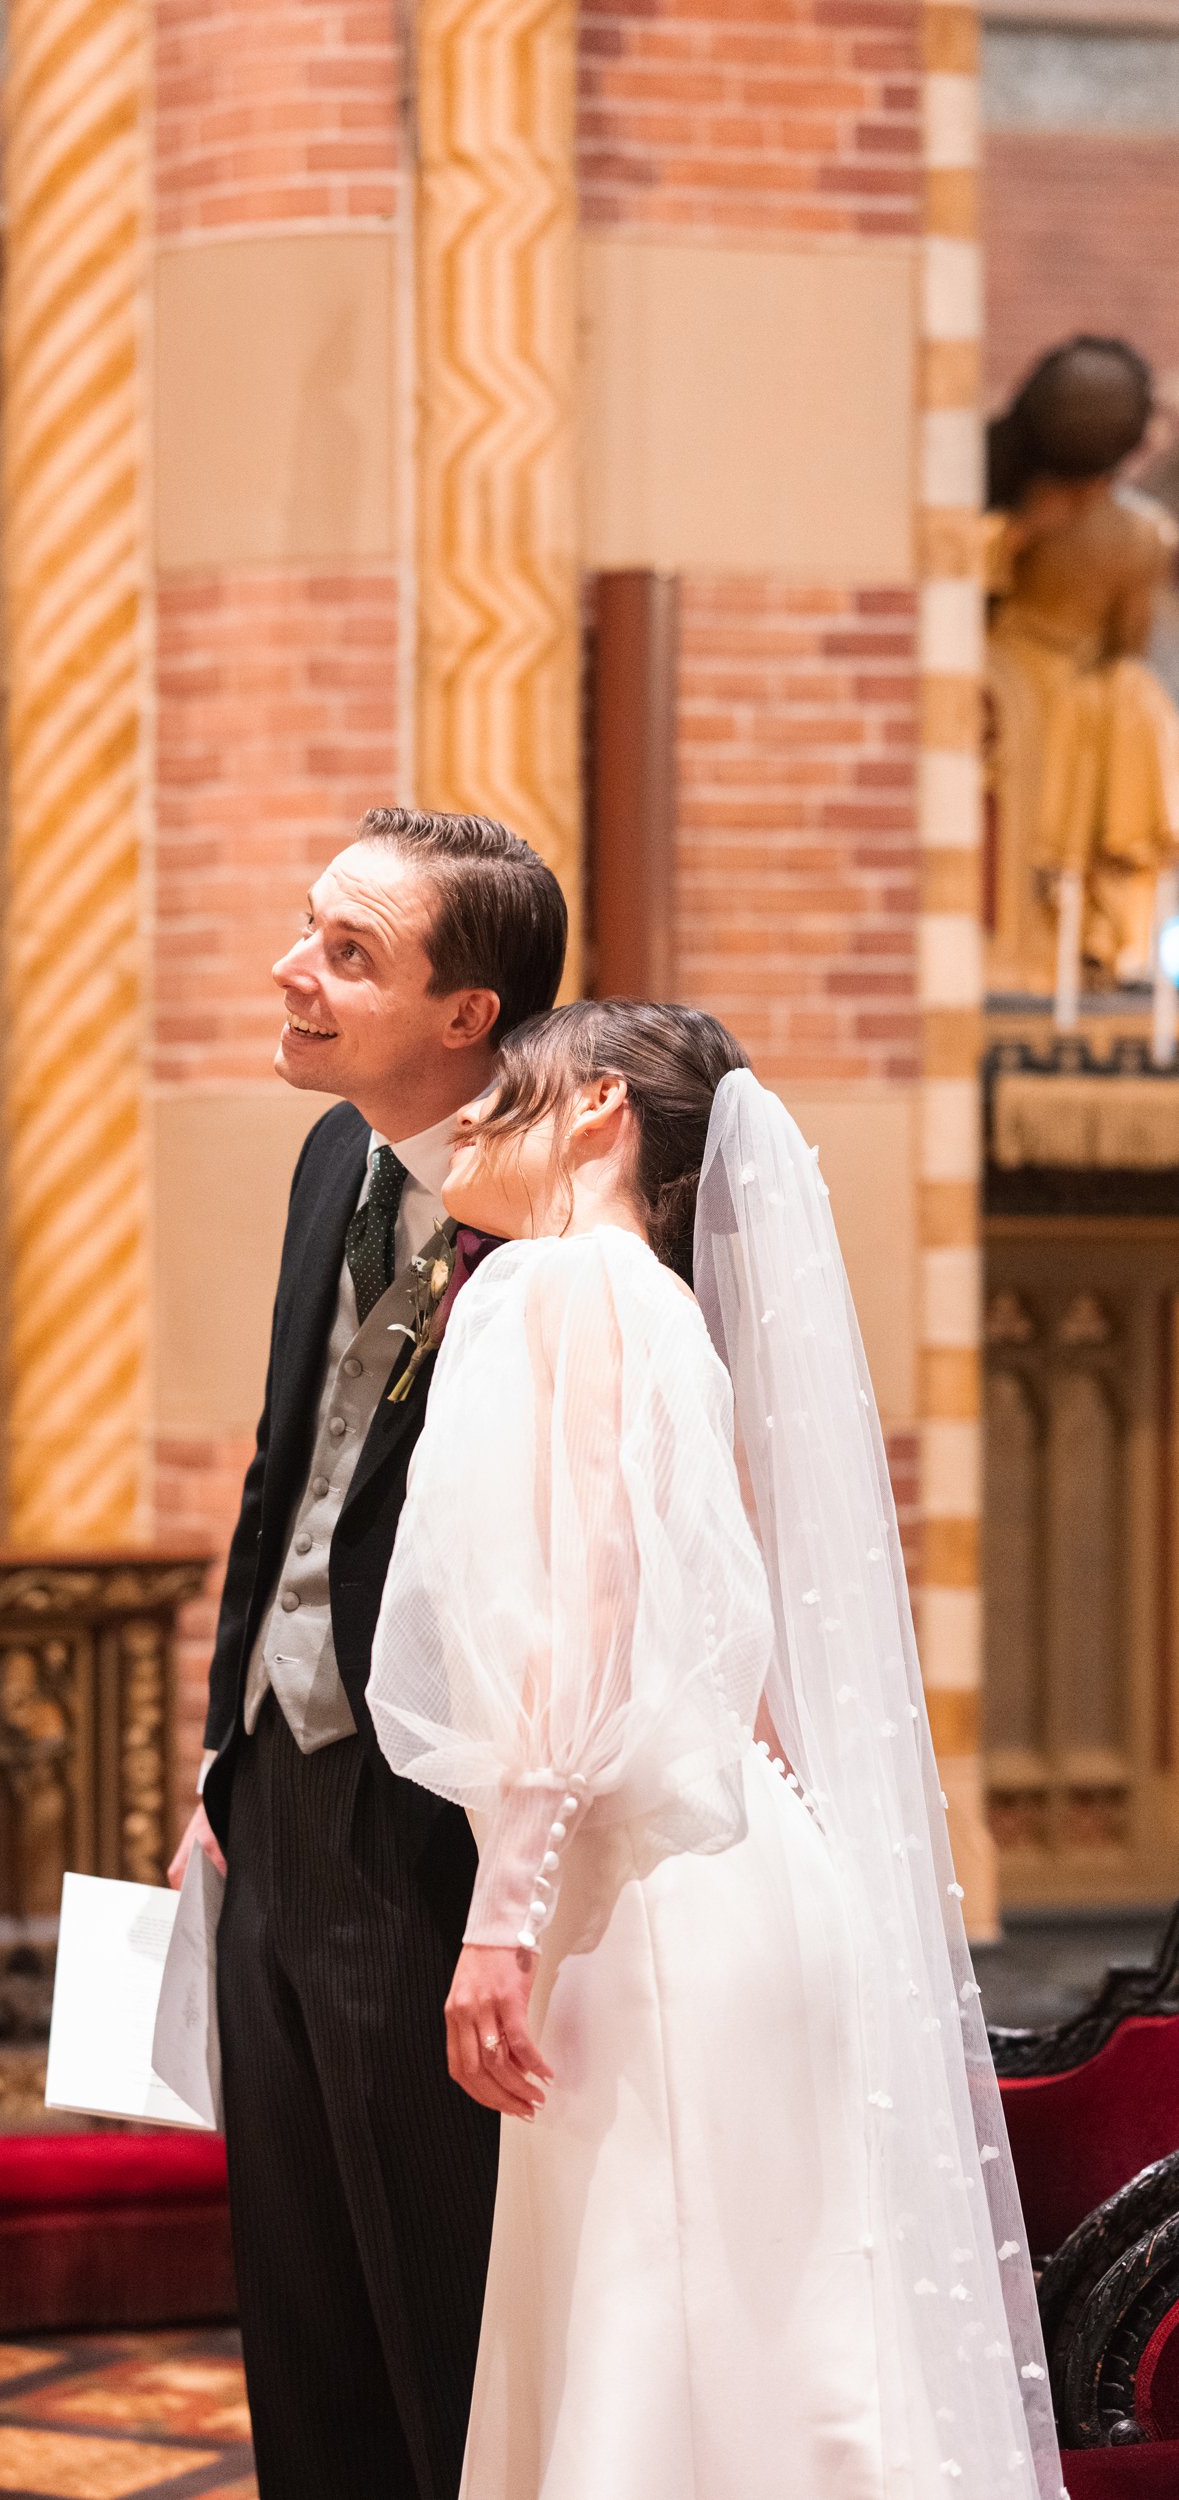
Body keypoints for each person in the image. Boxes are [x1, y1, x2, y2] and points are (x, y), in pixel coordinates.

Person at [367, 1000, 1067, 2500]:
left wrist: (499, 1921)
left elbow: (593, 1617)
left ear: (602, 1113)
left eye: (506, 1101)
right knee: (771, 2340)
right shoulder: (656, 1305)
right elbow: (716, 1653)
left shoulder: (556, 1290)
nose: (465, 1132)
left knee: (656, 2341)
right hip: (746, 1873)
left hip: (647, 1901)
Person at [168, 807, 568, 2500]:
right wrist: (219, 1761)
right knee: (301, 2302)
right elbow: (286, 1467)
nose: (292, 973)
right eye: (306, 932)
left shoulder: (568, 1200)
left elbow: (577, 1558)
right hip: (279, 1793)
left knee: (434, 2308)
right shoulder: (335, 1158)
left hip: (438, 1828)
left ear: (465, 1017)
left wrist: (511, 1889)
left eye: (347, 955)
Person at [984, 334, 1179, 991]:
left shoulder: (1010, 516)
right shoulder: (1142, 534)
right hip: (1089, 701)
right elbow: (1129, 637)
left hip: (1003, 680)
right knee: (1133, 708)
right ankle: (1101, 941)